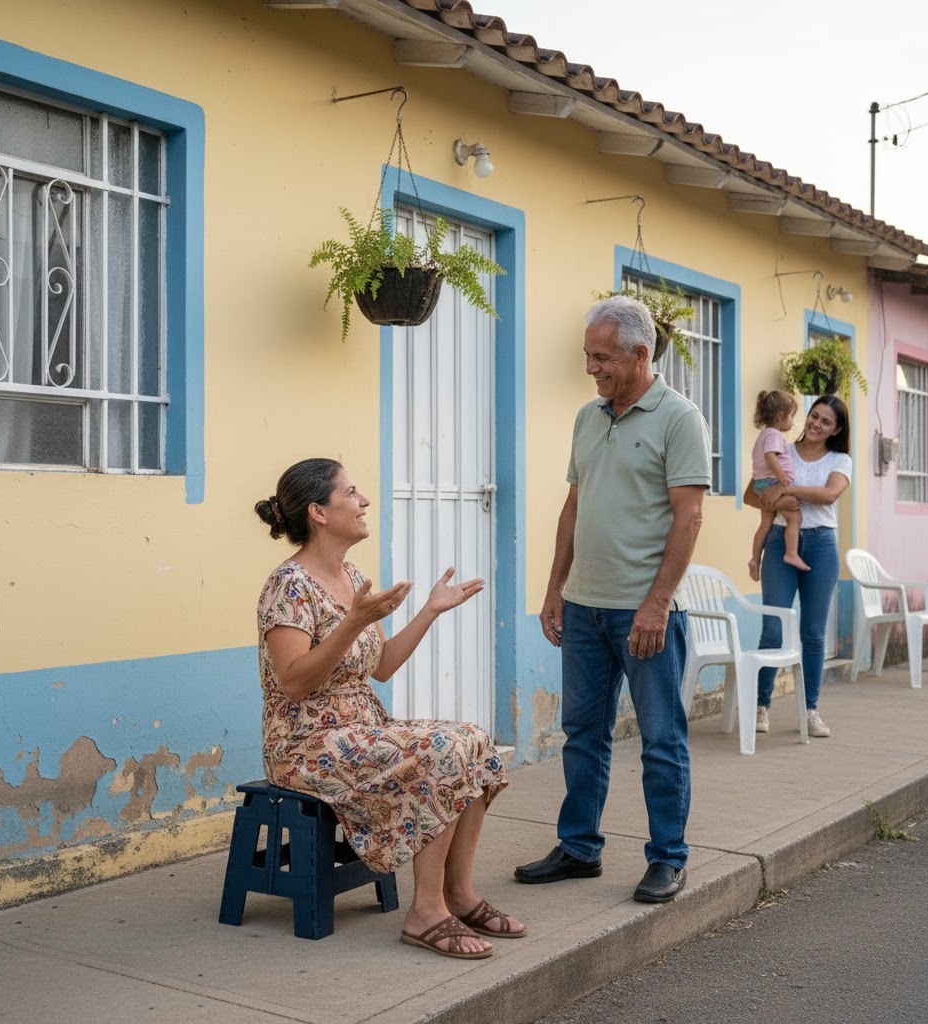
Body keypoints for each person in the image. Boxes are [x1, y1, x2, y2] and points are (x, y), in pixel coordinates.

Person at [254, 458, 526, 959]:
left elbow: (380, 668)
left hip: (359, 727)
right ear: (317, 511)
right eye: (351, 492)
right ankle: (426, 913)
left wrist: (430, 611)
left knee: (475, 739)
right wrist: (354, 622)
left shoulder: (351, 573)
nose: (364, 501)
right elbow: (293, 683)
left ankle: (458, 895)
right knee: (441, 751)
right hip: (305, 744)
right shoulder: (288, 586)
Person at [514, 296, 711, 903]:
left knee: (660, 740)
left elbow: (690, 516)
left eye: (602, 358)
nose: (592, 369)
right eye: (587, 357)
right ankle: (579, 848)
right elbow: (574, 506)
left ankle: (668, 858)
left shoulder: (679, 418)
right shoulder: (587, 417)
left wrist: (657, 604)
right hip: (584, 608)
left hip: (642, 612)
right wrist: (554, 590)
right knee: (582, 734)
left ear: (641, 352)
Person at [743, 395, 852, 739]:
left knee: (813, 634)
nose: (816, 424)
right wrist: (774, 492)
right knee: (773, 628)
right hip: (779, 543)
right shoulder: (780, 447)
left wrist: (783, 490)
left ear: (836, 430)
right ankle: (762, 705)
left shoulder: (840, 459)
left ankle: (811, 710)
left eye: (826, 422)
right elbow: (750, 494)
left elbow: (829, 495)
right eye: (814, 416)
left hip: (821, 546)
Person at [748, 389, 809, 582]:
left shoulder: (765, 434)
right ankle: (791, 552)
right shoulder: (774, 435)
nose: (793, 422)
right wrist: (781, 477)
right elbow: (770, 456)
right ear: (780, 416)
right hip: (771, 482)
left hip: (762, 484)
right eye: (791, 416)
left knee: (765, 524)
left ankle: (755, 559)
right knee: (795, 517)